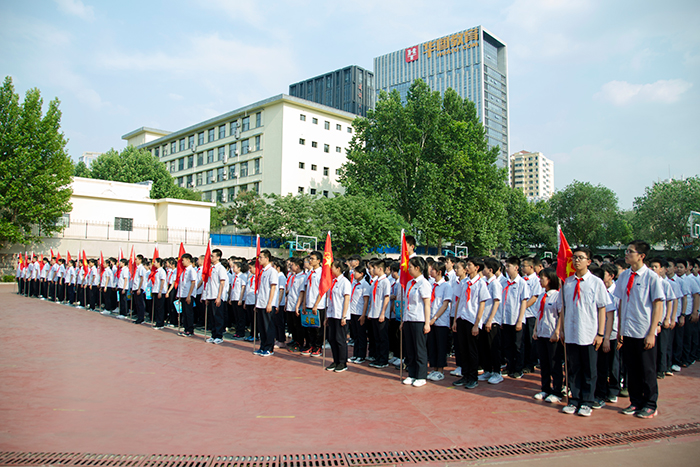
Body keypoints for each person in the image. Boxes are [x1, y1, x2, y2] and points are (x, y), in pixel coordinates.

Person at [614, 241, 666, 419]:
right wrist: (620, 329)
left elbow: (657, 303)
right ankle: (635, 402)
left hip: (644, 331)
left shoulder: (651, 277)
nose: (627, 254)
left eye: (630, 251)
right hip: (628, 330)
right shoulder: (623, 276)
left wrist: (652, 332)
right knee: (632, 369)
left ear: (641, 256)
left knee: (647, 370)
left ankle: (650, 404)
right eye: (626, 251)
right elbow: (621, 302)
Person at [559, 247, 610, 417]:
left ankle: (587, 401)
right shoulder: (568, 283)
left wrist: (600, 334)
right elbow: (564, 308)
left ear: (589, 261)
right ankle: (574, 399)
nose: (577, 261)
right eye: (575, 258)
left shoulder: (596, 282)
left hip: (589, 333)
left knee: (589, 370)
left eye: (581, 258)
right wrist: (562, 329)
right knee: (574, 369)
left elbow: (602, 308)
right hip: (572, 333)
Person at [452, 258, 490, 389]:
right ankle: (465, 374)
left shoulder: (481, 284)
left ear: (477, 268)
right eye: (467, 265)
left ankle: (473, 377)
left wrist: (477, 323)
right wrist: (455, 320)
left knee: (472, 350)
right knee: (462, 349)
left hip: (472, 319)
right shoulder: (464, 283)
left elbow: (482, 304)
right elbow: (459, 301)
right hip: (462, 318)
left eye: (469, 265)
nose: (467, 267)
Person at [532, 268, 563, 403]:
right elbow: (538, 314)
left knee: (554, 363)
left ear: (550, 279)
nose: (540, 280)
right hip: (541, 333)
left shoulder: (557, 295)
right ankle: (545, 388)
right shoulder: (541, 296)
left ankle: (557, 390)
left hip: (552, 334)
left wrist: (557, 331)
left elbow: (561, 314)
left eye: (543, 277)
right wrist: (535, 330)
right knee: (544, 363)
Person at [593, 262, 621, 405]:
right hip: (599, 332)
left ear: (611, 276)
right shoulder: (599, 289)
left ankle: (614, 390)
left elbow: (614, 314)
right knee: (601, 365)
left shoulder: (616, 292)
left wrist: (609, 336)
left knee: (614, 364)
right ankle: (601, 391)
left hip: (612, 332)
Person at [402, 256, 432, 387]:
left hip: (419, 319)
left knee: (420, 349)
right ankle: (412, 373)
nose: (408, 269)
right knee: (410, 349)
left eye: (411, 267)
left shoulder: (424, 283)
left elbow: (427, 304)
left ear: (418, 268)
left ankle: (421, 375)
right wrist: (403, 319)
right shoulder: (410, 283)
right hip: (409, 319)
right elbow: (407, 302)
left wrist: (427, 322)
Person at [501, 257, 531, 379]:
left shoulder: (522, 283)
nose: (506, 269)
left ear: (516, 268)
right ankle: (510, 366)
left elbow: (523, 302)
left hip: (516, 318)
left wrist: (520, 320)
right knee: (507, 345)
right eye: (506, 266)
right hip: (506, 318)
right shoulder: (504, 283)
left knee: (518, 345)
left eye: (509, 266)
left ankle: (518, 368)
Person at [648, 257, 677, 379]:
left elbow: (670, 301)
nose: (653, 269)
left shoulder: (665, 284)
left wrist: (667, 319)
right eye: (652, 266)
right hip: (650, 320)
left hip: (661, 319)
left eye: (656, 267)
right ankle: (653, 369)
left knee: (662, 346)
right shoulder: (648, 281)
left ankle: (662, 368)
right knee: (652, 347)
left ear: (662, 269)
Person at [480, 257, 504, 385]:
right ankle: (487, 370)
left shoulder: (495, 284)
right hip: (483, 320)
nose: (482, 270)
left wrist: (490, 320)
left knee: (493, 347)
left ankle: (497, 372)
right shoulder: (485, 282)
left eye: (484, 268)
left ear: (490, 270)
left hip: (492, 321)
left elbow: (496, 302)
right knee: (485, 347)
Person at [325, 259, 352, 372]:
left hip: (340, 315)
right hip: (332, 314)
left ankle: (342, 362)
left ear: (338, 269)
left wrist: (344, 316)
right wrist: (327, 316)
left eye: (333, 267)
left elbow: (346, 299)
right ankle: (335, 360)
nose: (331, 270)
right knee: (332, 338)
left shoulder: (345, 282)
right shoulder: (333, 281)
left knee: (340, 339)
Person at [427, 261, 452, 382]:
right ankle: (434, 368)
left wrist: (435, 318)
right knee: (432, 345)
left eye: (433, 270)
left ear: (439, 272)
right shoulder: (431, 285)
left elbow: (445, 305)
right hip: (431, 320)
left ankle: (440, 370)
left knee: (441, 346)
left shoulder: (446, 286)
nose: (431, 271)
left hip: (440, 321)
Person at [365, 259, 391, 368]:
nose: (373, 270)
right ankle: (377, 357)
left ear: (380, 269)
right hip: (374, 313)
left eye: (374, 268)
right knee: (376, 337)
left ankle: (383, 360)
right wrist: (370, 312)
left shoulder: (385, 282)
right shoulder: (376, 281)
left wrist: (383, 313)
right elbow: (373, 298)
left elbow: (386, 298)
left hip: (381, 314)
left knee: (382, 338)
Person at [521, 257, 543, 373]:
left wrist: (522, 307)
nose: (522, 268)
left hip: (531, 314)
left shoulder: (536, 281)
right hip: (522, 315)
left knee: (530, 341)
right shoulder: (522, 279)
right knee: (522, 340)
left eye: (524, 266)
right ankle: (523, 362)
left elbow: (534, 297)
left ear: (531, 267)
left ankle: (530, 363)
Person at [254, 249, 277, 356]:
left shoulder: (272, 271)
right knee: (261, 327)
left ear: (267, 259)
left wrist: (270, 303)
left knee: (268, 327)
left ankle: (269, 348)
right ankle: (262, 346)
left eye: (261, 257)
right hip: (260, 303)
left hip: (268, 303)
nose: (259, 260)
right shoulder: (262, 271)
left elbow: (273, 288)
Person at [302, 251, 326, 357]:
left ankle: (318, 347)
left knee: (317, 329)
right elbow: (306, 288)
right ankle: (311, 345)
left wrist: (316, 304)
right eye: (309, 259)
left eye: (312, 259)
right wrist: (304, 304)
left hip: (318, 305)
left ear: (319, 261)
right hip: (308, 304)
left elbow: (322, 290)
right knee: (309, 327)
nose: (310, 261)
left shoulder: (322, 273)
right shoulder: (309, 273)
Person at [203, 248, 227, 345]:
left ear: (218, 257)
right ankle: (213, 335)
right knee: (212, 317)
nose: (211, 258)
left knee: (218, 317)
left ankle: (219, 336)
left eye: (213, 256)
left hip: (217, 296)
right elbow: (209, 283)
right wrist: (207, 296)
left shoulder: (220, 268)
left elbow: (222, 283)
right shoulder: (211, 268)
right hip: (211, 295)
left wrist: (219, 297)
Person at [349, 263, 370, 363]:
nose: (354, 273)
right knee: (355, 335)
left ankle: (361, 355)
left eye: (356, 272)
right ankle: (355, 354)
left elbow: (366, 301)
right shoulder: (353, 283)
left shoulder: (365, 285)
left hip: (360, 312)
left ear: (361, 274)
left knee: (361, 335)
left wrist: (363, 315)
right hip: (352, 312)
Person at [284, 258, 306, 351]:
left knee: (298, 326)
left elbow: (301, 292)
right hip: (290, 304)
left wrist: (297, 306)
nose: (290, 266)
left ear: (297, 266)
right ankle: (294, 339)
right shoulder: (294, 276)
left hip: (297, 305)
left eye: (292, 265)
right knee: (291, 325)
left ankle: (299, 342)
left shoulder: (303, 277)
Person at [177, 253, 197, 337]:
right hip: (183, 295)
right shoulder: (184, 271)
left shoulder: (191, 270)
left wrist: (189, 295)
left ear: (188, 260)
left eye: (183, 260)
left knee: (189, 313)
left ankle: (190, 329)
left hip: (188, 295)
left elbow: (193, 283)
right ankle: (186, 328)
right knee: (184, 313)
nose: (182, 262)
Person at [152, 258, 167, 329]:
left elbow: (162, 281)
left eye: (155, 262)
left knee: (160, 308)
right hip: (155, 291)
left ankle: (160, 323)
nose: (154, 263)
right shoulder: (157, 271)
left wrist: (160, 291)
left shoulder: (162, 271)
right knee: (157, 308)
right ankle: (158, 321)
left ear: (158, 263)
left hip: (160, 292)